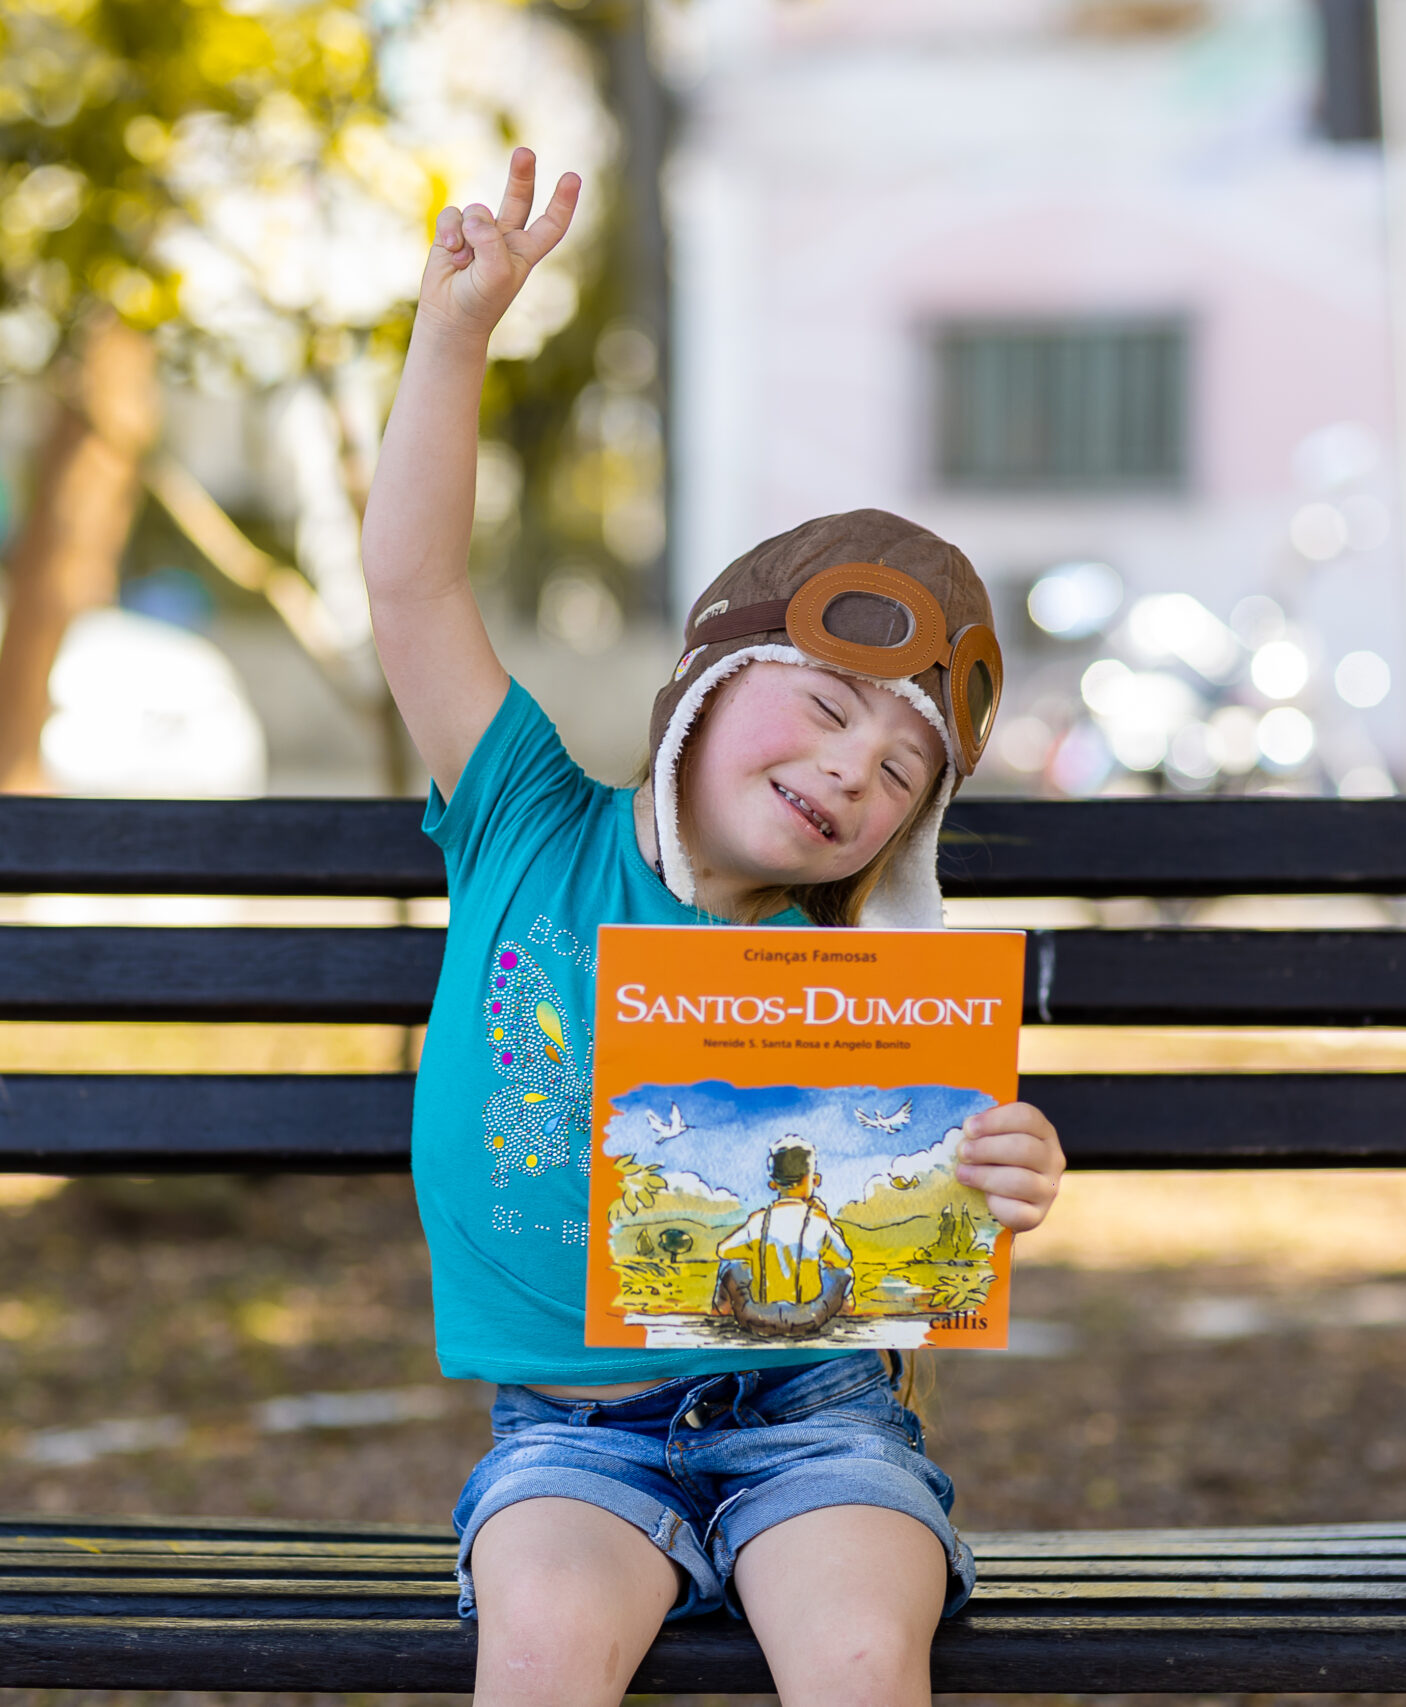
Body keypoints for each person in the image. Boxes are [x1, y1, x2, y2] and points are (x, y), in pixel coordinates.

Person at [359, 147, 1068, 1707]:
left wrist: (1010, 1166)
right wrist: (459, 332)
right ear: (705, 682)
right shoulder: (527, 815)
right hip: (567, 1434)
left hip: (817, 1410)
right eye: (820, 708)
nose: (843, 770)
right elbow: (411, 587)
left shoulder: (873, 982)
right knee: (539, 1649)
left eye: (897, 771)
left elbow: (936, 1191)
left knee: (866, 1650)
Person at [713, 1139, 856, 1336]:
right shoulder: (818, 1221)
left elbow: (723, 1250)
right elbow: (844, 1258)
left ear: (773, 1184)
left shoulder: (758, 1221)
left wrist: (757, 1250)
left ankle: (721, 1311)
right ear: (813, 1180)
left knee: (730, 1265)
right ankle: (845, 1314)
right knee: (843, 1273)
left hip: (756, 1318)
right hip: (808, 1319)